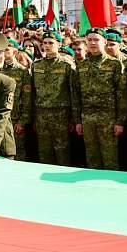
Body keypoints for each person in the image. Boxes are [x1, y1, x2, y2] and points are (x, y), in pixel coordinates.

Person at [74, 29, 126, 170]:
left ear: (104, 42)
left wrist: (120, 122)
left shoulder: (115, 64)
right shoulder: (82, 66)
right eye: (89, 40)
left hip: (108, 119)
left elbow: (121, 95)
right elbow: (76, 95)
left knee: (110, 160)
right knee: (92, 159)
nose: (92, 43)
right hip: (87, 118)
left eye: (96, 40)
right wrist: (78, 121)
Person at [31, 31, 79, 165]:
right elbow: (33, 93)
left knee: (62, 151)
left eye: (51, 43)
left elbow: (73, 94)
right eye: (44, 43)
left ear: (59, 44)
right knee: (44, 151)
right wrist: (34, 116)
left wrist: (73, 118)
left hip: (61, 114)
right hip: (41, 114)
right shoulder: (36, 65)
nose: (47, 46)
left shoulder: (67, 65)